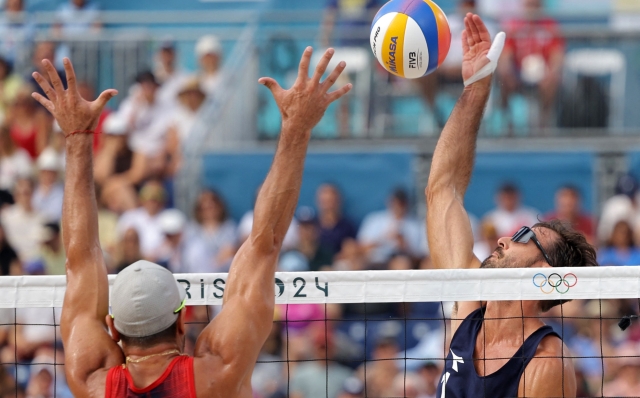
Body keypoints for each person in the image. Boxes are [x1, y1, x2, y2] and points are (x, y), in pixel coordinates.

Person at [30, 48, 351, 396]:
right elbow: (264, 244)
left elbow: (80, 256)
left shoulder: (90, 380)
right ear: (183, 321)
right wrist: (296, 128)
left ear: (113, 328)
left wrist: (76, 138)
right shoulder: (218, 372)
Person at [426, 14, 597, 396]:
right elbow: (443, 190)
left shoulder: (546, 362)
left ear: (543, 269)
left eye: (522, 236)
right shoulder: (469, 308)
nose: (503, 238)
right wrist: (475, 88)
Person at [497, 0, 565, 127]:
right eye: (530, 5)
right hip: (518, 74)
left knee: (553, 81)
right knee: (504, 78)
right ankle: (508, 123)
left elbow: (557, 55)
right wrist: (507, 71)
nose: (533, 10)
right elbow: (506, 55)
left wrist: (551, 73)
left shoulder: (550, 25)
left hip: (543, 73)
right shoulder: (514, 26)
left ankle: (543, 123)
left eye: (536, 5)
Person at [357, 188, 423, 265]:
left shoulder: (415, 226)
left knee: (401, 263)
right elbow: (360, 247)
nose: (397, 206)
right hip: (373, 261)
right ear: (389, 201)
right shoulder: (375, 220)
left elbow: (420, 256)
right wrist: (383, 239)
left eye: (401, 203)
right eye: (395, 202)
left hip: (398, 262)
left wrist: (404, 245)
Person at [316, 183, 356, 257]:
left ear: (338, 201)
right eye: (325, 201)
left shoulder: (347, 227)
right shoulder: (310, 224)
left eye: (330, 201)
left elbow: (350, 249)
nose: (328, 206)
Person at [32, 148, 64, 222]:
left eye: (50, 172)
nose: (47, 175)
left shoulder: (61, 191)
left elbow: (56, 214)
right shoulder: (35, 189)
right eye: (44, 172)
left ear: (56, 173)